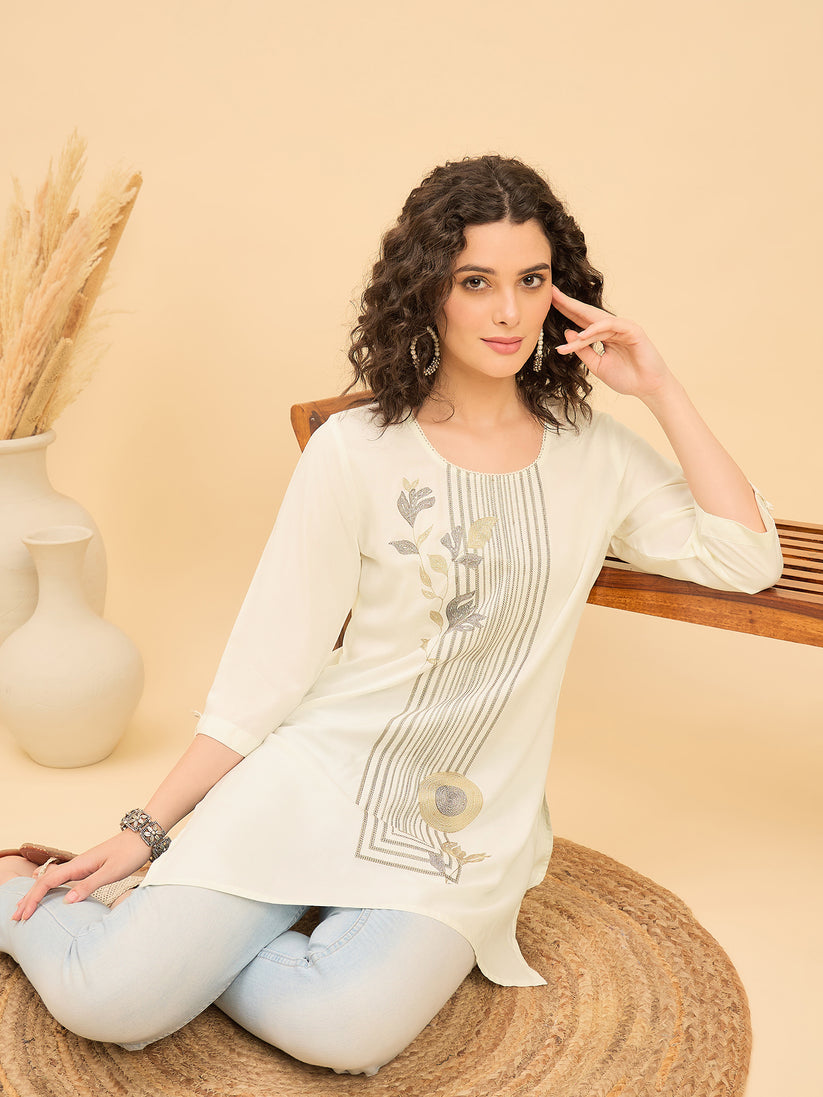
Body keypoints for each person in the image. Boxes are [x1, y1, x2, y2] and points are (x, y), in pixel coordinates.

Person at [0, 155, 782, 1076]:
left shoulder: (595, 455)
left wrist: (659, 388)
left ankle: (187, 943)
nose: (508, 311)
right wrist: (146, 829)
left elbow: (746, 558)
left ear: (559, 291)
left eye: (531, 280)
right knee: (111, 1001)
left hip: (463, 820)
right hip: (319, 774)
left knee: (345, 1031)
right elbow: (267, 670)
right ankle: (24, 890)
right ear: (428, 289)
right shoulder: (355, 450)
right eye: (475, 281)